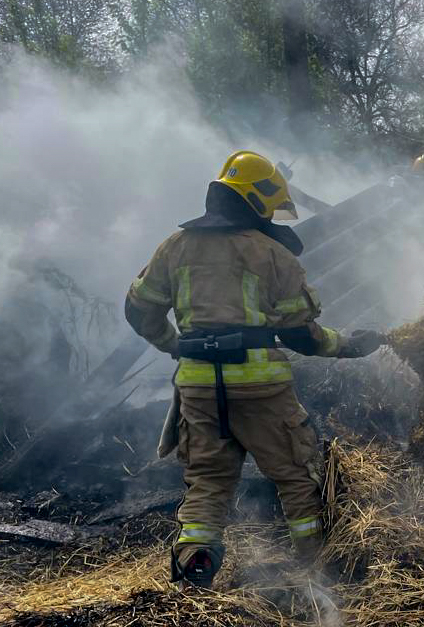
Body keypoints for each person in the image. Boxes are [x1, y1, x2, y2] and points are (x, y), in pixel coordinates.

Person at [124, 150, 384, 589]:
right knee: (296, 476)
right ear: (258, 199)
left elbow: (138, 310)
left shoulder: (175, 246)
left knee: (207, 482)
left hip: (199, 387)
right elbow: (302, 335)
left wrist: (176, 346)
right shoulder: (272, 254)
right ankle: (317, 574)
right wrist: (348, 345)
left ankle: (195, 568)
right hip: (262, 387)